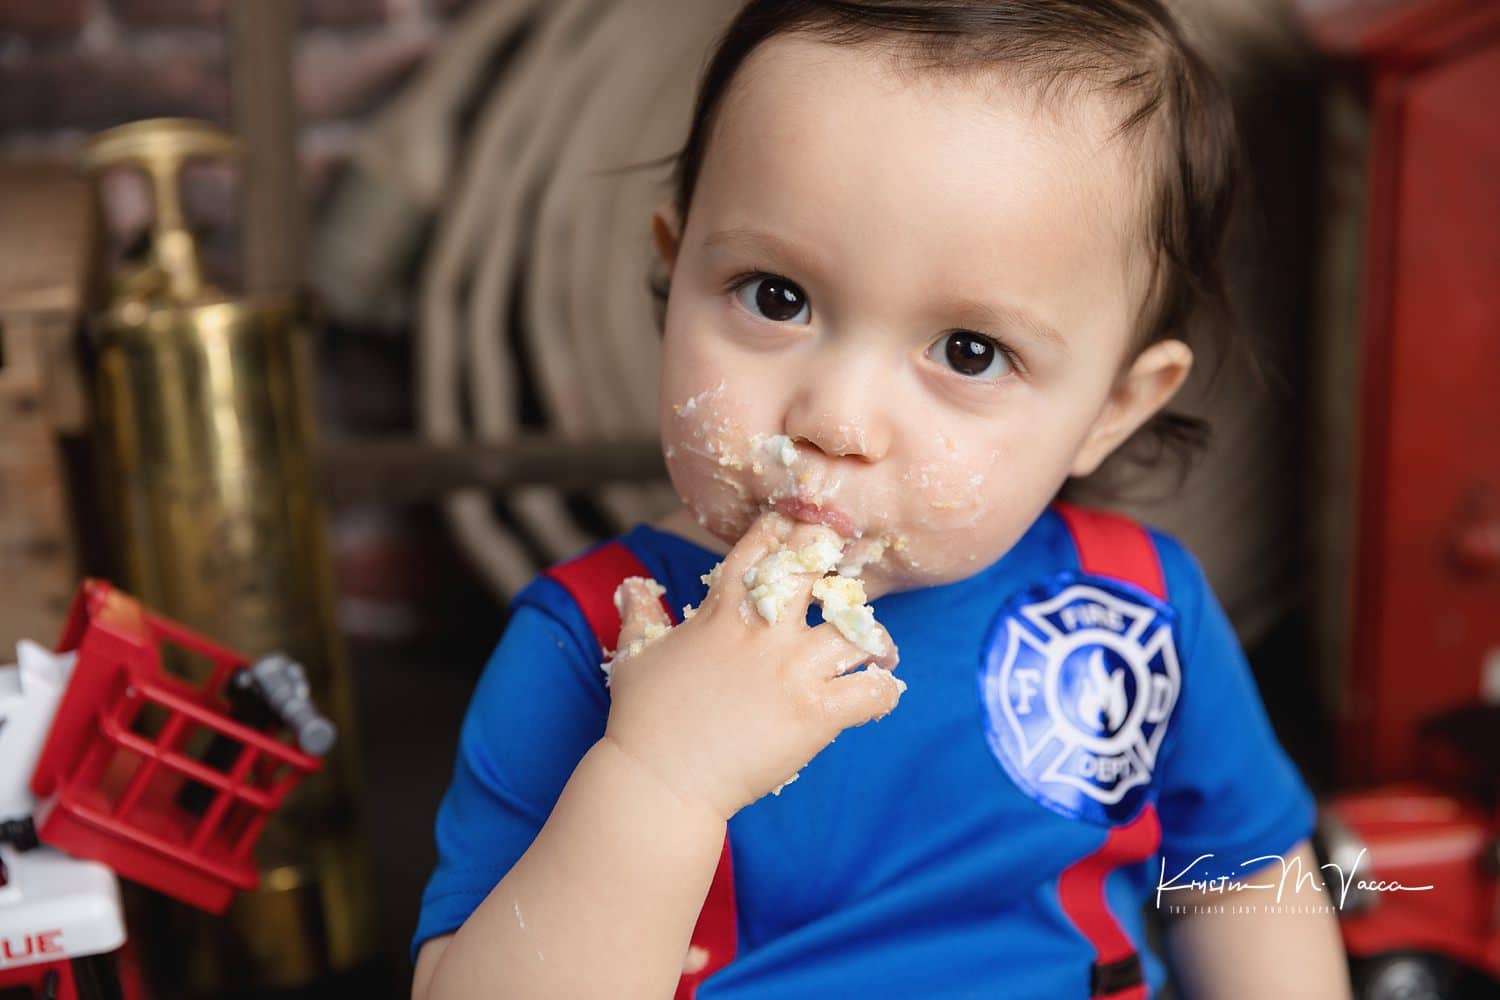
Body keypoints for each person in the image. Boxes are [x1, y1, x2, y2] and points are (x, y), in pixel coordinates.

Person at [410, 2, 1351, 997]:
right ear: (672, 269)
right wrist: (657, 779)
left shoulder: (1135, 610)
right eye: (775, 295)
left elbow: (1239, 881)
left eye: (970, 352)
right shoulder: (588, 642)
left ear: (1110, 411)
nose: (839, 419)